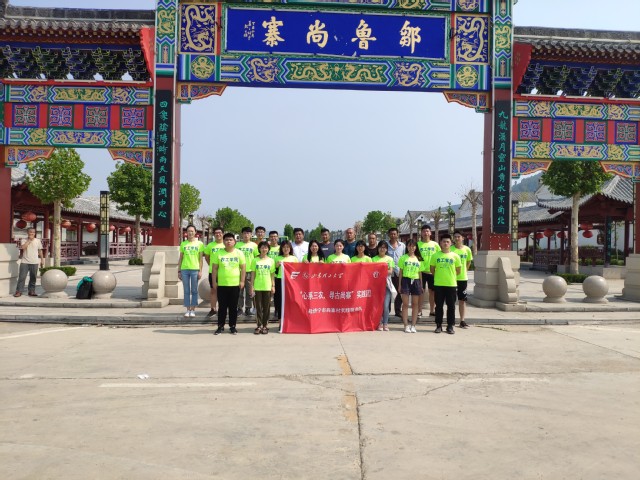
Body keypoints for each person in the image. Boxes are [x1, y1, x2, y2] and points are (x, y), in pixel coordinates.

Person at [212, 232, 246, 335]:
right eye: (226, 240)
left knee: (233, 307)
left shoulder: (239, 253)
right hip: (222, 284)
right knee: (222, 307)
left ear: (235, 241)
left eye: (231, 240)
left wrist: (242, 281)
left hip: (235, 284)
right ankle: (220, 326)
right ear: (223, 241)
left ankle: (232, 326)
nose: (228, 241)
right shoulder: (218, 253)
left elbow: (243, 268)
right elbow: (214, 269)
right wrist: (214, 282)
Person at [430, 233, 461, 335]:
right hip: (438, 284)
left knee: (451, 306)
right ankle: (438, 325)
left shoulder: (455, 256)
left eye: (448, 242)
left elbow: (458, 270)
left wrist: (450, 276)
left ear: (451, 243)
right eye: (444, 241)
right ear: (440, 243)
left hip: (451, 284)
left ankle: (450, 326)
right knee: (439, 306)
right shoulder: (435, 256)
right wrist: (440, 276)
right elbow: (432, 269)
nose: (446, 243)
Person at [398, 239, 424, 333]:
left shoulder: (419, 258)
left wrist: (421, 285)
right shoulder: (403, 258)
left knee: (415, 304)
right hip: (405, 281)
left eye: (413, 246)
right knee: (405, 304)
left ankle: (413, 325)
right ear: (407, 247)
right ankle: (406, 325)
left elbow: (420, 273)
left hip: (416, 281)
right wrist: (399, 285)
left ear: (416, 247)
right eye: (409, 245)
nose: (411, 248)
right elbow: (400, 272)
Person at [177, 225, 204, 318]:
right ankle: (187, 309)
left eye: (192, 231)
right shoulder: (183, 244)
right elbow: (181, 258)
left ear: (195, 232)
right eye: (188, 231)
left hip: (195, 269)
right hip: (184, 269)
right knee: (186, 290)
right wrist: (179, 271)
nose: (190, 233)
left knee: (194, 290)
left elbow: (201, 259)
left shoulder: (200, 244)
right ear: (186, 232)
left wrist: (200, 271)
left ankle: (193, 309)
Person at [250, 241, 275, 334]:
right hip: (257, 287)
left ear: (268, 249)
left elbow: (272, 275)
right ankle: (259, 325)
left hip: (267, 286)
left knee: (266, 307)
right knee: (258, 307)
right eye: (262, 247)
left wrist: (273, 286)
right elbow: (253, 274)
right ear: (259, 249)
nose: (264, 249)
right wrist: (251, 286)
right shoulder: (255, 260)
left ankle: (265, 326)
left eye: (266, 247)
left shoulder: (271, 261)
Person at [417, 224, 440, 317]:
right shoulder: (418, 244)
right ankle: (419, 311)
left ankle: (432, 310)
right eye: (424, 231)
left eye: (427, 231)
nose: (425, 233)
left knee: (432, 292)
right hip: (421, 272)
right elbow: (416, 257)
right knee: (420, 292)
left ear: (430, 233)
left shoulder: (435, 244)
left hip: (433, 271)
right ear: (421, 233)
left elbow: (439, 256)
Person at [14, 227, 44, 297]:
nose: (32, 233)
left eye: (33, 232)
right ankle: (19, 291)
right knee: (22, 277)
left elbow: (40, 250)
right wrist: (29, 240)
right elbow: (23, 247)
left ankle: (31, 291)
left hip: (34, 262)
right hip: (25, 262)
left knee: (33, 277)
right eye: (30, 232)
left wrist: (42, 260)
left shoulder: (37, 241)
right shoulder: (24, 240)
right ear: (27, 233)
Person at [452, 230, 473, 329]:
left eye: (458, 237)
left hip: (463, 278)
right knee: (451, 301)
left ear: (462, 238)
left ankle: (462, 320)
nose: (457, 238)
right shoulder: (450, 249)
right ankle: (451, 320)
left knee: (462, 300)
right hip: (451, 279)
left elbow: (468, 262)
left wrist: (464, 271)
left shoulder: (467, 249)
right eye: (455, 237)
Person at [372, 241, 394, 331]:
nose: (382, 249)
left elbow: (390, 271)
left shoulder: (390, 259)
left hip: (386, 285)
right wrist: (384, 271)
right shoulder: (373, 259)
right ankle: (379, 323)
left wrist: (380, 271)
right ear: (378, 248)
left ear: (386, 249)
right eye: (381, 247)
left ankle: (385, 323)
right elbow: (372, 272)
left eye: (384, 247)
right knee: (378, 305)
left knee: (385, 305)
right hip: (376, 285)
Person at [274, 240, 298, 321]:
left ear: (290, 248)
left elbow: (297, 271)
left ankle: (291, 319)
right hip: (280, 280)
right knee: (280, 300)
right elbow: (274, 272)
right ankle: (280, 320)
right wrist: (277, 266)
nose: (286, 249)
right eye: (284, 247)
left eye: (287, 247)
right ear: (281, 249)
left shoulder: (294, 258)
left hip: (290, 281)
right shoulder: (277, 258)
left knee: (291, 300)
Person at [236, 226, 258, 316]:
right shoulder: (237, 245)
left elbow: (257, 258)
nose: (246, 235)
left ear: (251, 235)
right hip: (239, 271)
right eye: (244, 233)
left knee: (249, 291)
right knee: (239, 291)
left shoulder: (254, 245)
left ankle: (248, 308)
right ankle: (239, 308)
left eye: (248, 233)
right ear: (242, 234)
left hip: (250, 271)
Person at [204, 226, 225, 318]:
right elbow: (206, 257)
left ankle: (222, 309)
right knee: (213, 290)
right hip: (212, 272)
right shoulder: (210, 245)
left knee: (223, 291)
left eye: (220, 232)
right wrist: (212, 267)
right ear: (214, 234)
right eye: (216, 233)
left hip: (224, 272)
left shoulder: (226, 245)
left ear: (223, 234)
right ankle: (213, 309)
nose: (218, 234)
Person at [386, 227, 406, 317]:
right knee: (388, 292)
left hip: (399, 272)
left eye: (394, 234)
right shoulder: (385, 245)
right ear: (388, 235)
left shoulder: (402, 246)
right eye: (391, 234)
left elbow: (405, 257)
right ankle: (387, 311)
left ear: (398, 234)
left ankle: (398, 310)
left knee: (399, 291)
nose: (393, 236)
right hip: (388, 273)